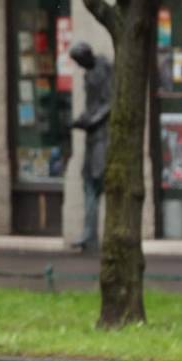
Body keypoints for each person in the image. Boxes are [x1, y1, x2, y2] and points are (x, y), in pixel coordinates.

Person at [69, 41, 113, 253]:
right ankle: (89, 234)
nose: (80, 66)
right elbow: (93, 105)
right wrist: (82, 119)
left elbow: (110, 102)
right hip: (93, 136)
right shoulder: (88, 74)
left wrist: (91, 120)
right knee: (89, 182)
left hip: (103, 137)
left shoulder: (103, 68)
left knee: (99, 181)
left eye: (80, 61)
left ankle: (102, 235)